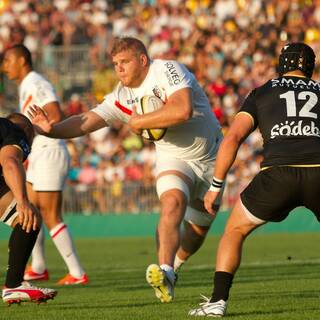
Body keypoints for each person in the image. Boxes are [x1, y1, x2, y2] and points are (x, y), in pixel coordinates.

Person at [28, 36, 224, 303]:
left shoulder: (167, 70)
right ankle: (165, 270)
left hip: (213, 159)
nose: (118, 69)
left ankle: (175, 267)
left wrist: (139, 121)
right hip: (174, 158)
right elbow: (87, 121)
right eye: (115, 64)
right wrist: (54, 130)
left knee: (198, 230)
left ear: (142, 60)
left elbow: (183, 109)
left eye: (124, 62)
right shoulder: (121, 96)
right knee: (171, 202)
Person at [188, 42, 320, 317]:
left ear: (282, 63)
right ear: (310, 66)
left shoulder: (263, 91)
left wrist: (216, 186)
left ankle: (217, 303)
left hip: (277, 174)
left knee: (234, 232)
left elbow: (233, 138)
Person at [3, 44, 88, 285]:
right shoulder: (26, 85)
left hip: (50, 151)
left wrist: (38, 129)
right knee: (28, 209)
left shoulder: (36, 82)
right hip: (37, 153)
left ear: (21, 61)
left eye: (8, 60)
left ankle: (77, 272)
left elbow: (55, 113)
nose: (4, 65)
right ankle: (38, 266)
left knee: (50, 215)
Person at [0, 113, 57, 305]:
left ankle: (13, 286)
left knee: (22, 218)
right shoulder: (15, 131)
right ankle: (14, 285)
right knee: (28, 216)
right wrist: (22, 200)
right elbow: (10, 162)